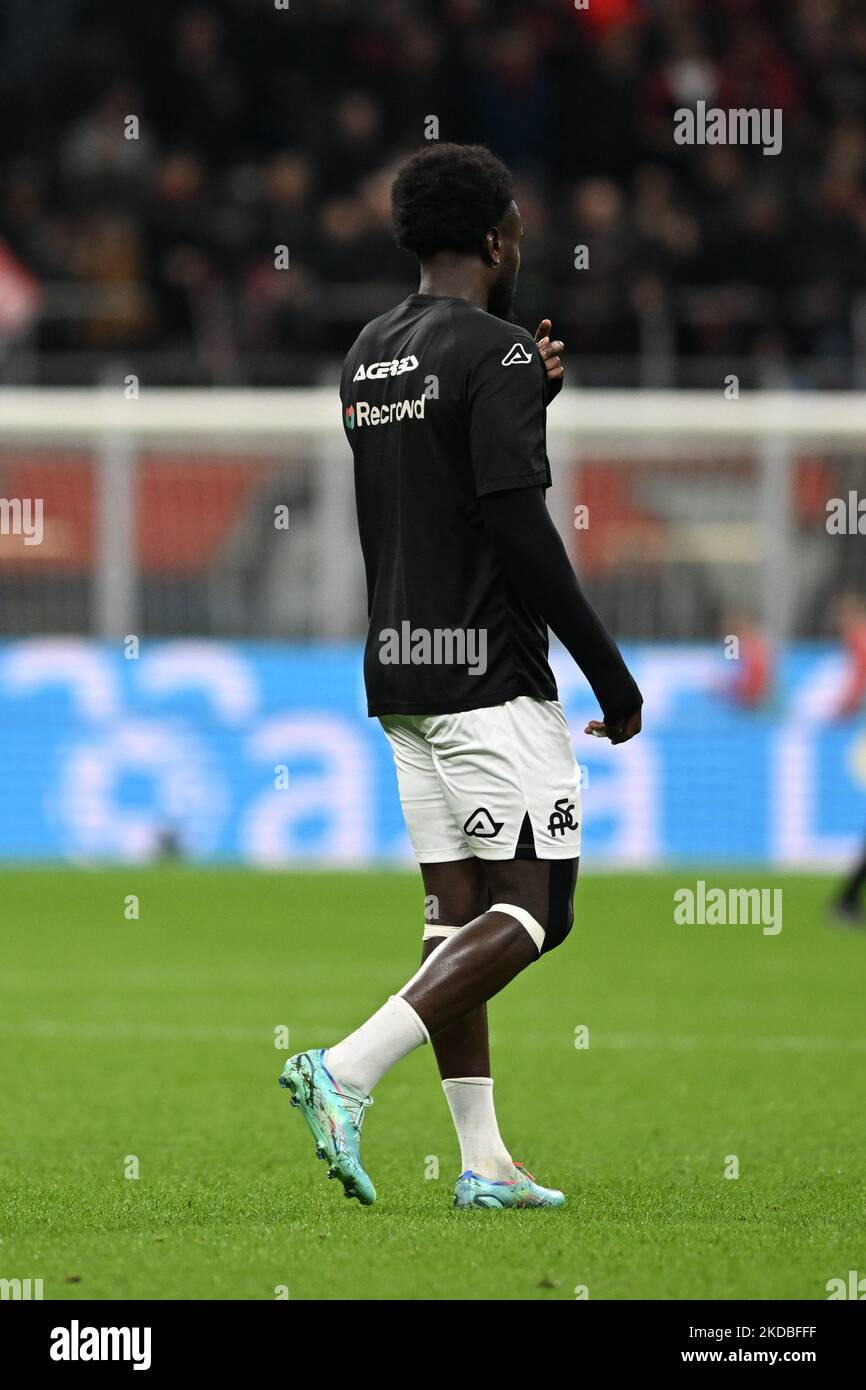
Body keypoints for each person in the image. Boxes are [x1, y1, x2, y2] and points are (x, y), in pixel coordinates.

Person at [279, 143, 643, 1209]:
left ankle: (481, 1161)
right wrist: (608, 674)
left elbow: (437, 484)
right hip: (487, 670)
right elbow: (510, 525)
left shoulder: (367, 354)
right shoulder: (495, 352)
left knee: (456, 916)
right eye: (518, 231)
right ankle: (344, 1070)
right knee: (537, 910)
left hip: (397, 668)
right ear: (495, 241)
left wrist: (528, 396)